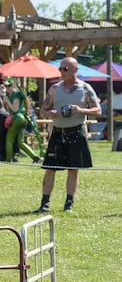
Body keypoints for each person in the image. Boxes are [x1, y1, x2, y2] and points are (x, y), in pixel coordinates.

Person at [36, 58, 102, 213]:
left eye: (65, 69)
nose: (62, 72)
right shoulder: (54, 88)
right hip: (58, 133)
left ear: (75, 70)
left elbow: (97, 111)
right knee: (50, 168)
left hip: (76, 132)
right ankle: (44, 204)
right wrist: (48, 113)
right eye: (61, 69)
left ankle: (69, 204)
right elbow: (43, 110)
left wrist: (80, 110)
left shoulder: (85, 88)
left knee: (73, 169)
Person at [4, 81, 41, 164]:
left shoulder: (16, 94)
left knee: (9, 140)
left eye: (9, 85)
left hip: (17, 118)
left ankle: (8, 160)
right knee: (21, 142)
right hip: (22, 119)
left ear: (14, 85)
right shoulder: (15, 94)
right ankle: (35, 157)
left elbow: (14, 109)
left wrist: (7, 100)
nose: (7, 87)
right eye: (5, 85)